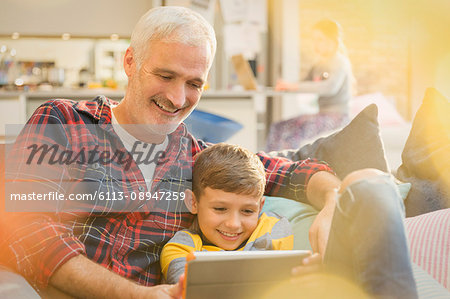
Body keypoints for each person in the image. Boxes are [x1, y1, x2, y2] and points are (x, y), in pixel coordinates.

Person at [0, 6, 418, 299]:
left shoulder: (197, 158)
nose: (178, 97)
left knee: (369, 184)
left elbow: (283, 171)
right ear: (130, 62)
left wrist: (331, 198)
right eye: (165, 75)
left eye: (194, 84)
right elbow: (30, 234)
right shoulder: (65, 123)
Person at [160, 143, 293, 284]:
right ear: (193, 202)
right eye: (220, 209)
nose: (233, 224)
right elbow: (188, 288)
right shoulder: (181, 248)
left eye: (247, 211)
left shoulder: (272, 227)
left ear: (260, 207)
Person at [267, 19, 354, 151]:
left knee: (296, 133)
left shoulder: (340, 62)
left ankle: (289, 168)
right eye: (313, 39)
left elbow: (329, 87)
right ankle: (269, 165)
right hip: (322, 114)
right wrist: (285, 86)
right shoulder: (319, 64)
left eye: (319, 39)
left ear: (332, 40)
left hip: (338, 117)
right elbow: (304, 83)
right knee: (278, 127)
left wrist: (292, 86)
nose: (315, 44)